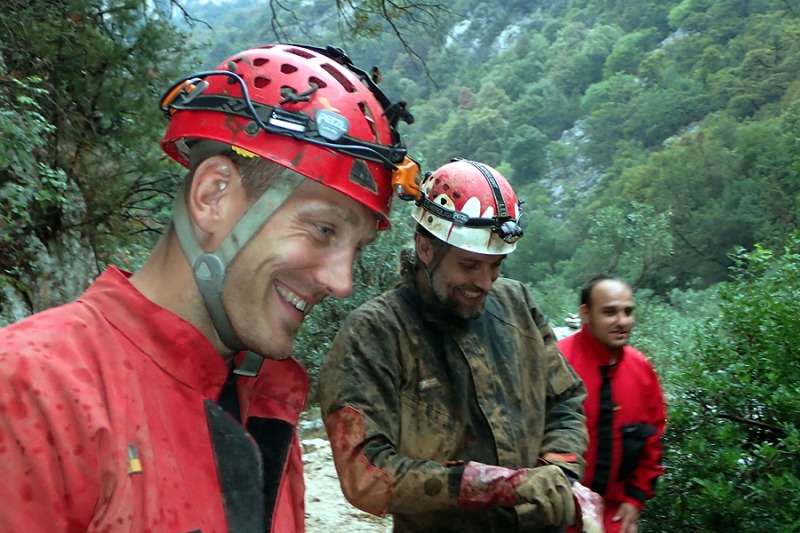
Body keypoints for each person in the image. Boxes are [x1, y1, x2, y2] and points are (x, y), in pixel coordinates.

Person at [0, 43, 418, 532]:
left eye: (358, 248)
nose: (342, 283)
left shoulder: (264, 401)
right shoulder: (35, 393)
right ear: (213, 195)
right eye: (324, 230)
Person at [318, 159, 590, 532]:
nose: (486, 283)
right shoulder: (375, 333)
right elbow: (365, 471)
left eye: (495, 267)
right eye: (470, 265)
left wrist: (557, 472)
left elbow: (566, 401)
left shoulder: (517, 304)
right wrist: (499, 486)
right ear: (426, 248)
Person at [558, 275, 667, 533]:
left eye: (627, 312)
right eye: (610, 312)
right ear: (585, 313)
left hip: (615, 516)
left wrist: (635, 499)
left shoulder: (642, 369)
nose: (622, 322)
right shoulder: (557, 362)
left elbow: (652, 441)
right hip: (558, 515)